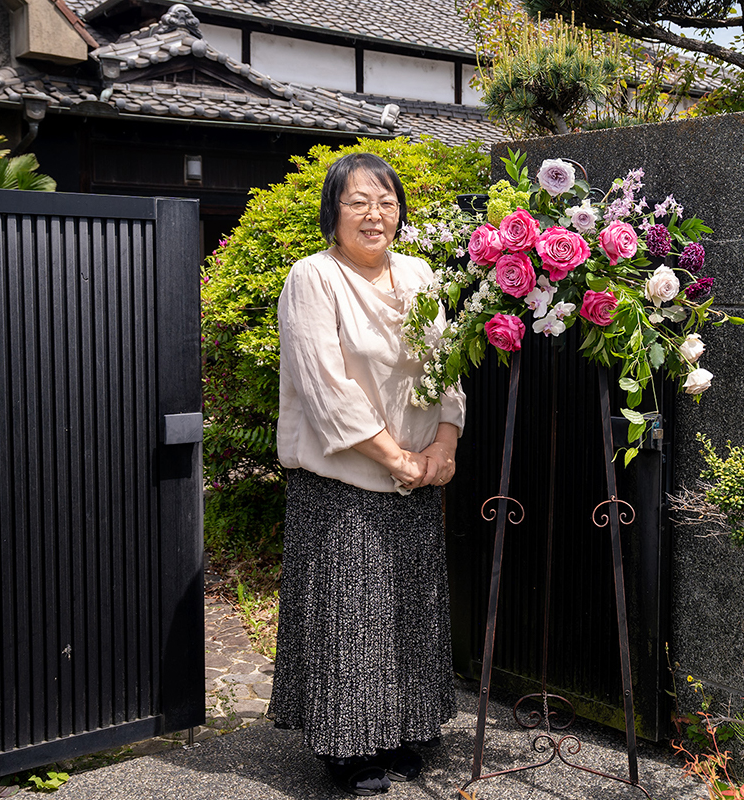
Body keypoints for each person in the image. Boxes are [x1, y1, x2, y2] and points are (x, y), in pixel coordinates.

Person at [269, 152, 465, 796]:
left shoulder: (419, 274)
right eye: (358, 202)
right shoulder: (313, 278)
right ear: (333, 213)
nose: (374, 215)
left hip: (417, 470)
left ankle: (409, 726)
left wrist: (444, 445)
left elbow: (447, 369)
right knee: (352, 615)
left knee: (410, 609)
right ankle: (349, 752)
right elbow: (328, 390)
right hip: (344, 480)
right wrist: (397, 458)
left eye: (385, 201)